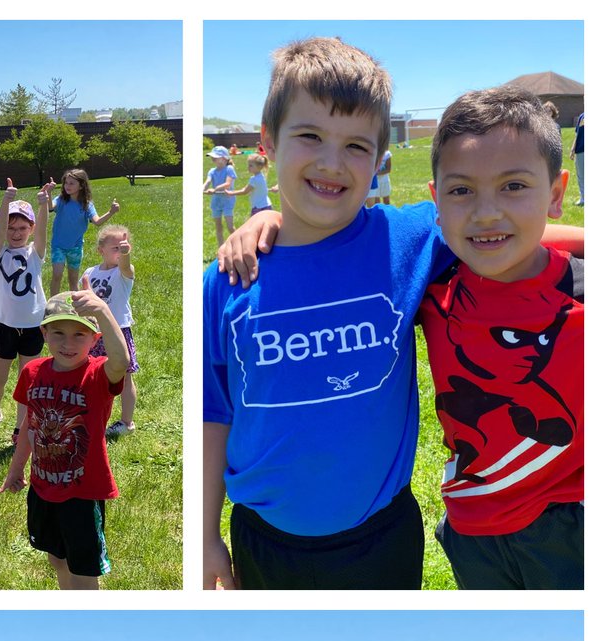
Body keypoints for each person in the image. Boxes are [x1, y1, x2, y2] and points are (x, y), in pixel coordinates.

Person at [205, 38, 584, 591]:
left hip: (382, 535)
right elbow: (215, 412)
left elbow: (497, 228)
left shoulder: (408, 238)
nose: (332, 162)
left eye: (356, 145)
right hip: (265, 538)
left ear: (380, 157)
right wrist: (207, 535)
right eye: (310, 135)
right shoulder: (229, 277)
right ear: (267, 142)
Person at [420, 88, 582, 589]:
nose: (486, 212)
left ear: (556, 194)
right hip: (473, 531)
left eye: (513, 186)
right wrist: (269, 220)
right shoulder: (430, 291)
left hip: (572, 528)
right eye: (462, 190)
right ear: (436, 201)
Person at [0, 292, 127, 589]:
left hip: (82, 493)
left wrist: (104, 312)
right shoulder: (32, 372)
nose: (68, 344)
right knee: (57, 558)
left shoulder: (97, 374)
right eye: (58, 333)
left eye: (79, 335)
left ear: (95, 339)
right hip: (43, 486)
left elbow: (121, 361)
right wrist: (16, 469)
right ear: (44, 332)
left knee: (83, 570)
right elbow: (30, 426)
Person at [0, 179, 52, 442]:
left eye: (23, 227)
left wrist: (43, 204)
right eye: (12, 227)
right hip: (4, 325)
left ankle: (20, 427)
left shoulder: (36, 252)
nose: (16, 232)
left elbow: (44, 231)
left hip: (34, 325)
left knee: (27, 381)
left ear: (30, 229)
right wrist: (5, 202)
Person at [82, 224, 140, 436]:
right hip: (94, 332)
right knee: (92, 375)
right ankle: (90, 414)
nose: (119, 250)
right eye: (115, 247)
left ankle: (126, 423)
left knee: (124, 377)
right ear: (101, 250)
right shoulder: (90, 272)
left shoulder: (124, 272)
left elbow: (126, 266)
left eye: (123, 246)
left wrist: (125, 254)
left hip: (118, 332)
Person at [47, 169, 120, 294]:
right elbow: (50, 207)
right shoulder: (61, 200)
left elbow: (97, 221)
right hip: (58, 245)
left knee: (73, 279)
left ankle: (74, 305)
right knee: (57, 275)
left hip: (75, 247)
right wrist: (48, 193)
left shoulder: (86, 204)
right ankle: (52, 304)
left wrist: (111, 212)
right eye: (66, 183)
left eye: (71, 183)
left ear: (81, 186)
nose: (67, 186)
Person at [205, 147, 238, 249]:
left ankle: (238, 245)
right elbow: (207, 181)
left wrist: (214, 190)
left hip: (228, 200)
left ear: (224, 158)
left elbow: (227, 184)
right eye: (212, 156)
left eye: (216, 156)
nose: (213, 158)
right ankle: (221, 248)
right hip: (216, 202)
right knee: (218, 226)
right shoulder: (212, 171)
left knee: (230, 227)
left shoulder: (229, 169)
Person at [572, 112, 584, 204]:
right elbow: (577, 134)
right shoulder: (581, 116)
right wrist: (573, 149)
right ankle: (583, 198)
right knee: (581, 175)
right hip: (580, 149)